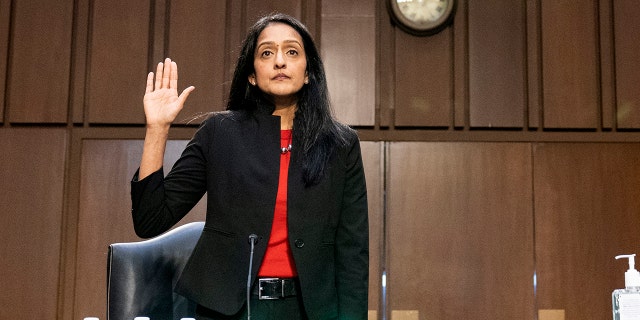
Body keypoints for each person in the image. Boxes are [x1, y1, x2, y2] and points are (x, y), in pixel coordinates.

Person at [130, 13, 369, 320]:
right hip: (230, 308)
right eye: (266, 52)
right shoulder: (219, 133)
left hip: (311, 310)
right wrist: (158, 128)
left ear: (308, 72)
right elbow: (150, 219)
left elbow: (353, 252)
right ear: (252, 74)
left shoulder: (340, 143)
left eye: (292, 52)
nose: (279, 61)